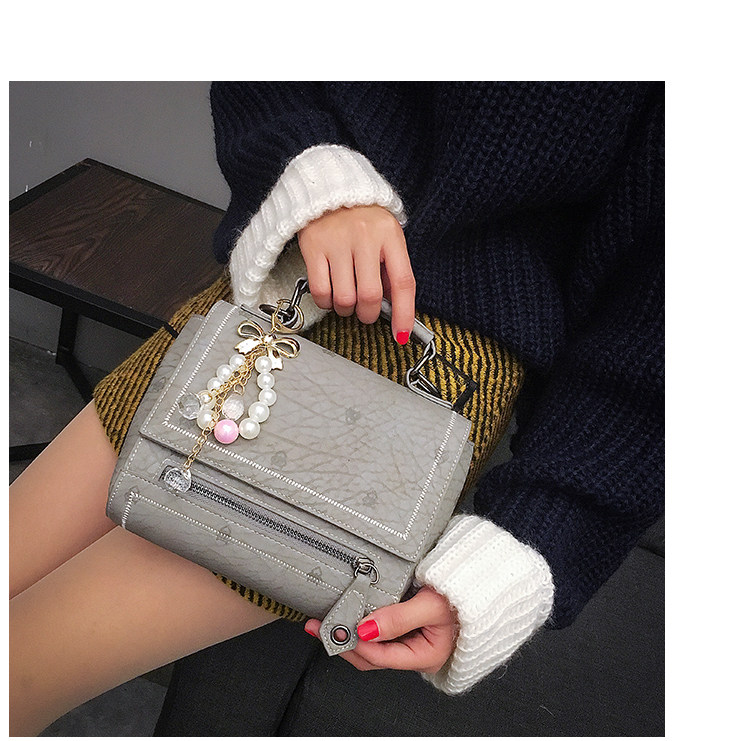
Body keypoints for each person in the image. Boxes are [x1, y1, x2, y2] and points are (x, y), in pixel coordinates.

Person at [9, 81, 664, 736]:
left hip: (425, 392)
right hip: (277, 303)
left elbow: (661, 308)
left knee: (21, 671)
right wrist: (310, 163)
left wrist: (538, 535)